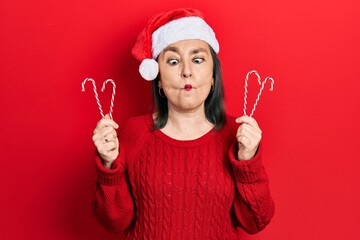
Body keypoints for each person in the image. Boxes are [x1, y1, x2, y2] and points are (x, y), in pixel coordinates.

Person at [91, 8, 275, 239]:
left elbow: (256, 222)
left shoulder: (236, 134)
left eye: (197, 60)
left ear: (213, 76)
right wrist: (109, 168)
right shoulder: (134, 132)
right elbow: (113, 222)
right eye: (173, 61)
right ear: (158, 78)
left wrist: (248, 164)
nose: (186, 72)